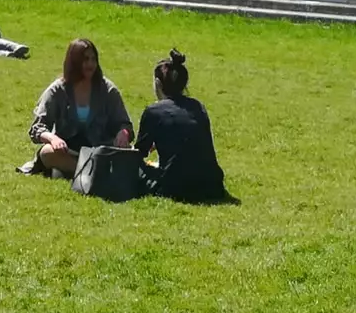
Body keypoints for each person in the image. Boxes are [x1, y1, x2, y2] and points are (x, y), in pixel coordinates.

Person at [22, 38, 132, 177]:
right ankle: (90, 173)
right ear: (74, 62)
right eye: (85, 59)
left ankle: (79, 172)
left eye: (93, 59)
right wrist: (53, 139)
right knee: (47, 153)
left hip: (100, 149)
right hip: (68, 150)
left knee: (128, 154)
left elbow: (125, 124)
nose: (90, 64)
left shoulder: (108, 89)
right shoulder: (57, 90)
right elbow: (37, 128)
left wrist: (123, 133)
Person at [135, 48, 228, 201]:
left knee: (135, 169)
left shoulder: (153, 111)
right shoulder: (199, 107)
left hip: (176, 188)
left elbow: (139, 153)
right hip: (212, 185)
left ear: (157, 83)